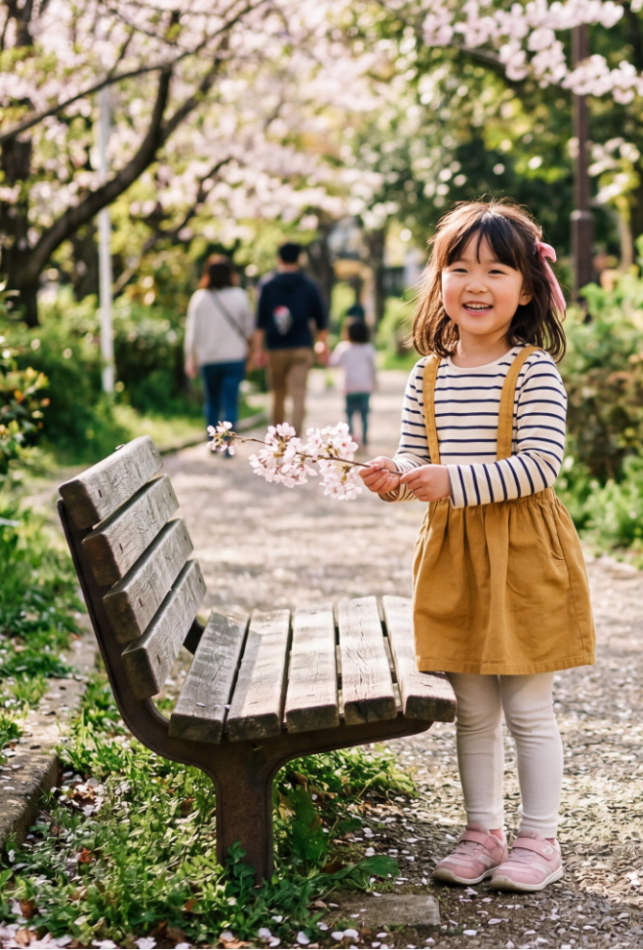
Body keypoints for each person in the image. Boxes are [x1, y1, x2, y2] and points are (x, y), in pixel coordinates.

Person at [356, 201, 591, 895]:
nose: (476, 284)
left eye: (496, 270)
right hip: (454, 557)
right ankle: (483, 831)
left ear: (527, 288)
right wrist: (393, 477)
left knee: (527, 706)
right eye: (459, 268)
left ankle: (539, 839)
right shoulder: (426, 375)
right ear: (439, 282)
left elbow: (539, 466)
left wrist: (450, 481)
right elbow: (415, 459)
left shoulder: (534, 372)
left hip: (524, 556)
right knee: (475, 709)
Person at [251, 242, 330, 433]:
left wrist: (258, 350)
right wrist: (323, 345)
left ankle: (278, 441)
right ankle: (295, 440)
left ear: (279, 259)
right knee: (299, 395)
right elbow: (321, 320)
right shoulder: (310, 285)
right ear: (300, 259)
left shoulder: (267, 285)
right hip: (302, 347)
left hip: (275, 348)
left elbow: (260, 322)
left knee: (278, 395)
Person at [183, 255, 252, 447]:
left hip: (208, 359)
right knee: (230, 403)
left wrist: (190, 359)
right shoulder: (240, 296)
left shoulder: (199, 298)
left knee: (212, 402)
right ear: (230, 274)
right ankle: (228, 444)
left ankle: (213, 443)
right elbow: (249, 329)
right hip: (234, 358)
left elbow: (192, 333)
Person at [331, 318, 378, 446]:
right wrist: (375, 382)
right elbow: (373, 368)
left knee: (349, 416)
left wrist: (322, 353)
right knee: (364, 416)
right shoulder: (368, 348)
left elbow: (333, 362)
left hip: (349, 388)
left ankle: (351, 442)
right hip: (364, 388)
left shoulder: (343, 348)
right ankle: (364, 440)